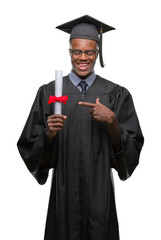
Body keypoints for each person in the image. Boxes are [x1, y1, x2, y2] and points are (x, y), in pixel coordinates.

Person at [17, 15, 144, 240]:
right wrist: (49, 134)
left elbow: (132, 148)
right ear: (69, 52)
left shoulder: (115, 94)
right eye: (77, 51)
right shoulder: (49, 93)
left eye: (89, 52)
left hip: (100, 191)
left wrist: (113, 122)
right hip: (64, 191)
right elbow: (28, 143)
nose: (82, 58)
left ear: (98, 53)